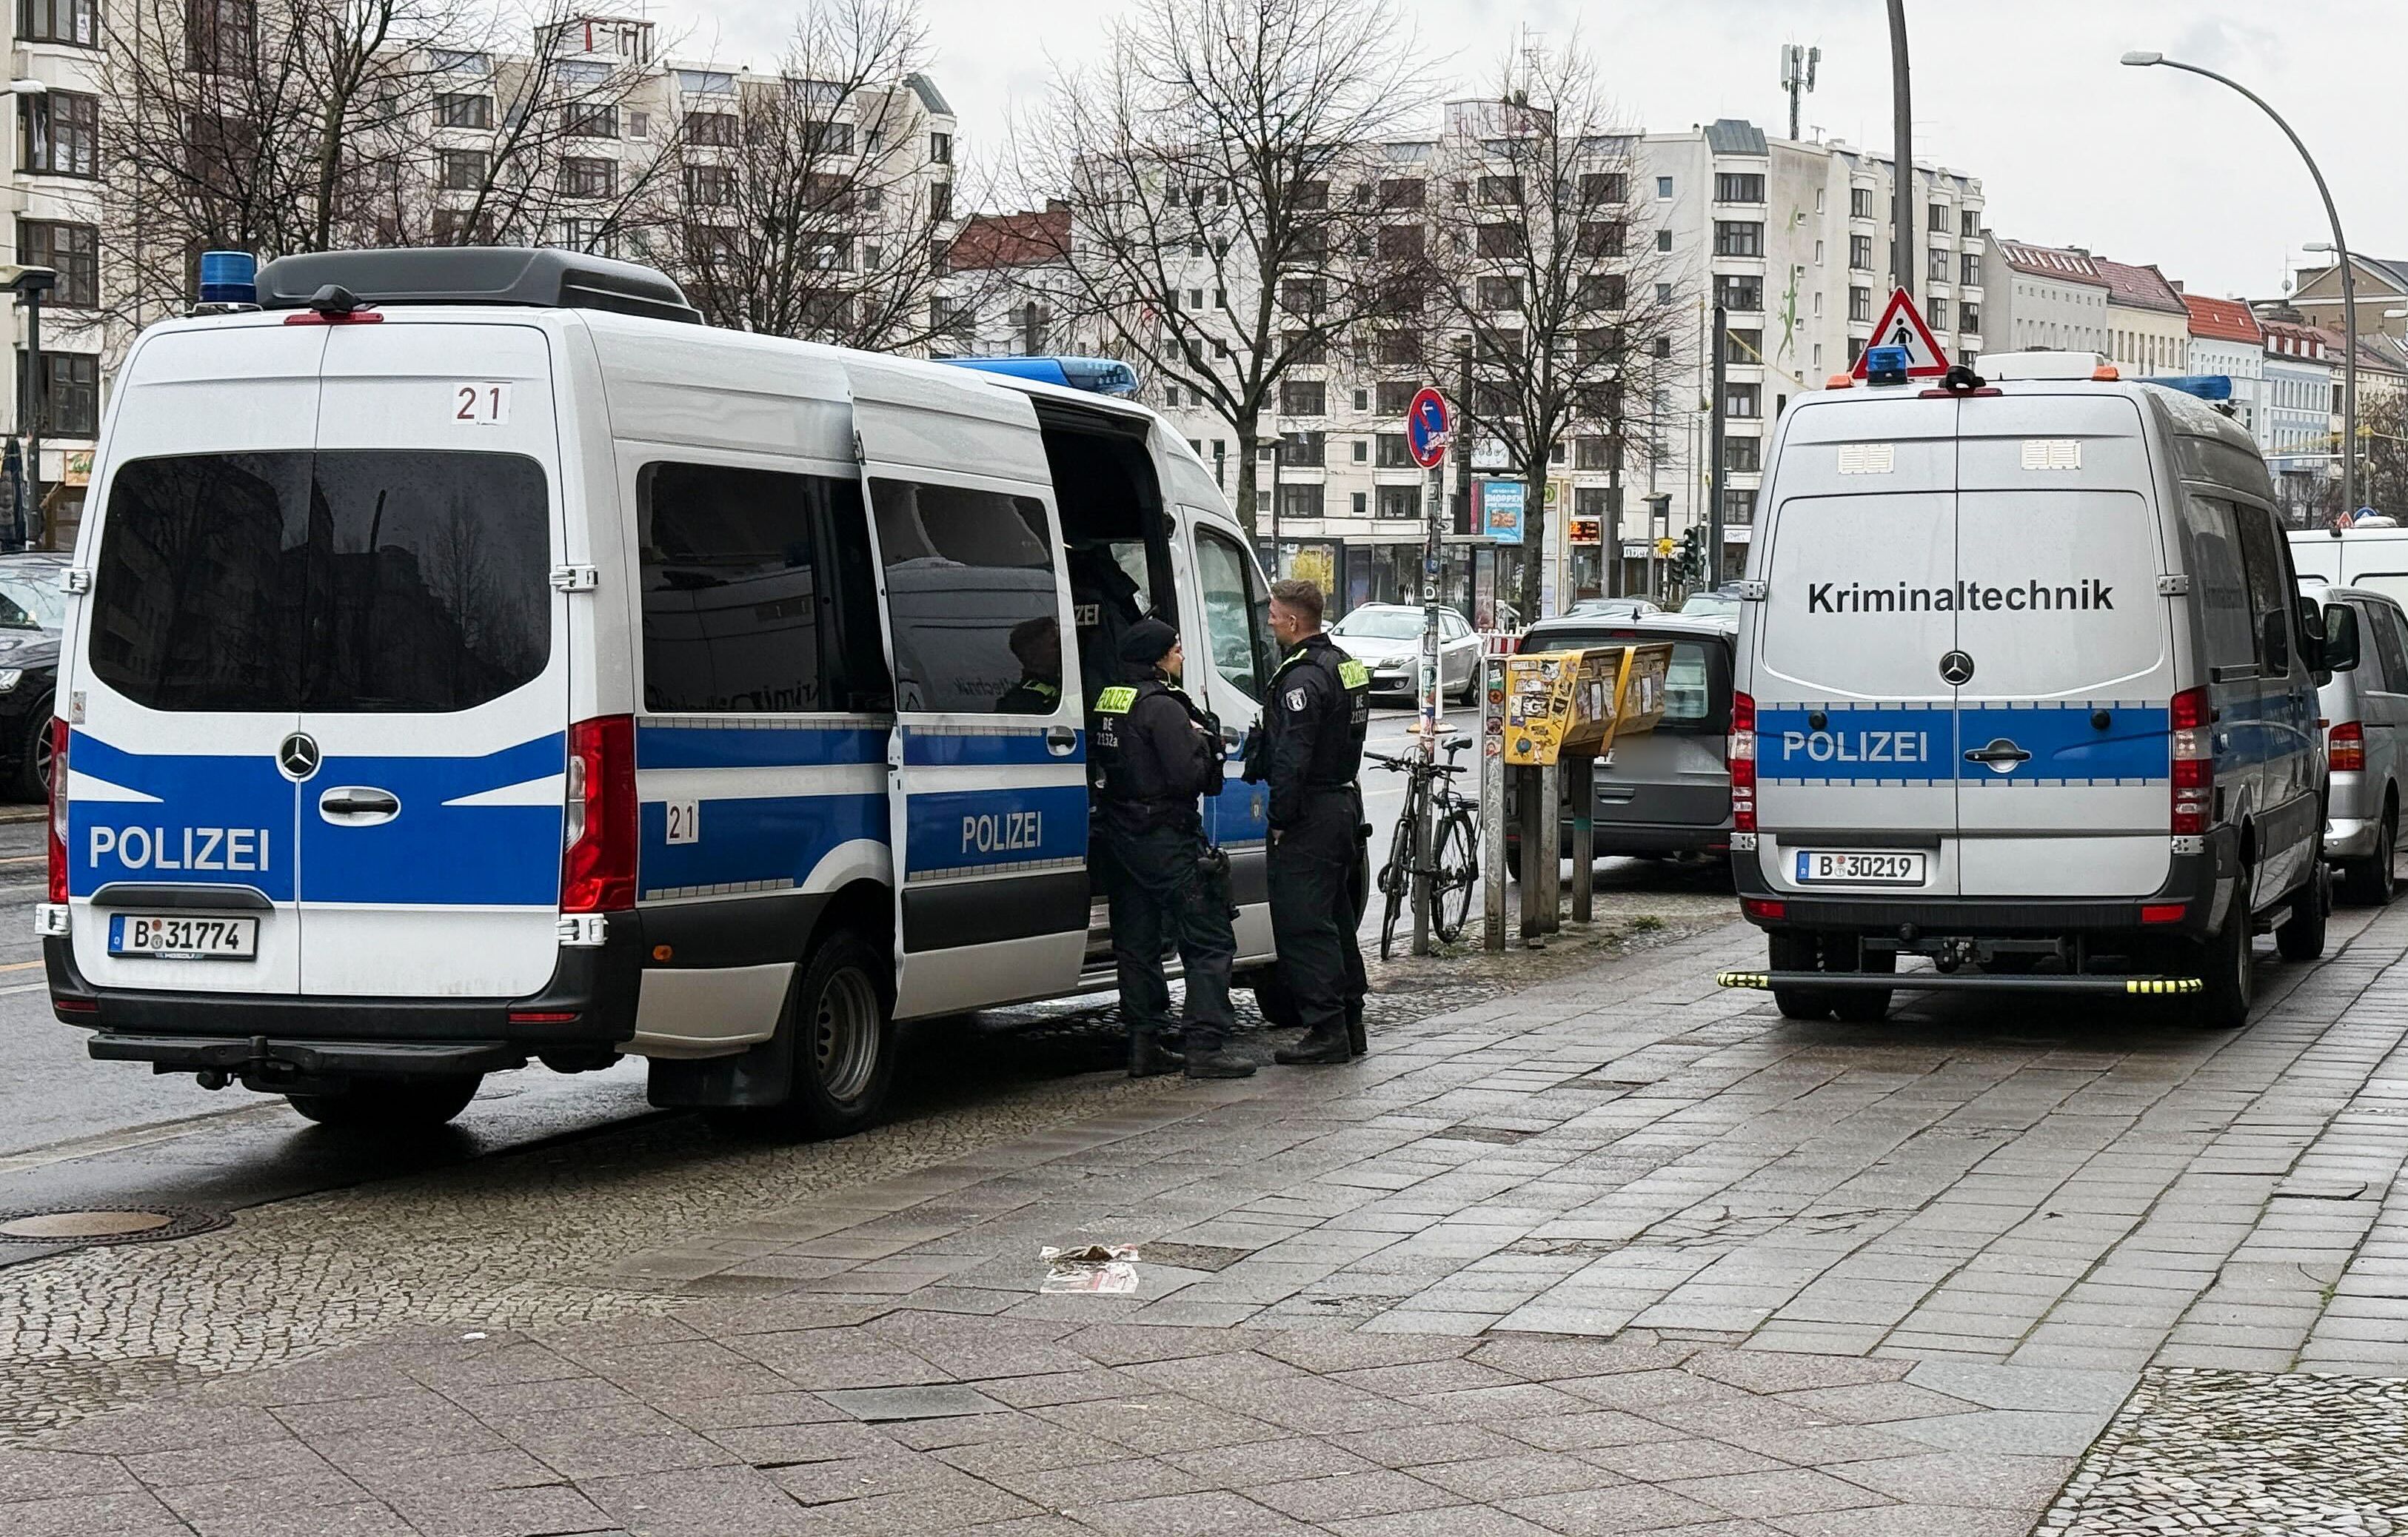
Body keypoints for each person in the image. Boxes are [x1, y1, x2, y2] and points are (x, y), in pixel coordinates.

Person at [1091, 617, 1255, 1079]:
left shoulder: (1111, 699)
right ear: (1157, 658)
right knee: (1209, 938)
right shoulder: (1163, 707)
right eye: (1175, 648)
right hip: (1166, 836)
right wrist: (1211, 751)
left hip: (1121, 837)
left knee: (1137, 942)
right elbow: (1189, 775)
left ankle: (1144, 1046)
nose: (1181, 654)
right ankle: (1205, 1046)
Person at [1245, 578, 1371, 1065]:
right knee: (1336, 919)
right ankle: (1351, 1021)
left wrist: (1279, 819)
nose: (1270, 620)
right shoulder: (1345, 666)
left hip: (1311, 814)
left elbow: (1292, 760)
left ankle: (1325, 1030)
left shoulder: (1301, 678)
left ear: (1294, 620)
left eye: (1274, 613)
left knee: (1304, 924)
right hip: (1342, 805)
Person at [996, 615, 1063, 714]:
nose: (1061, 650)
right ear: (1033, 656)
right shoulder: (1021, 702)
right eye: (1055, 645)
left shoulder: (1062, 683)